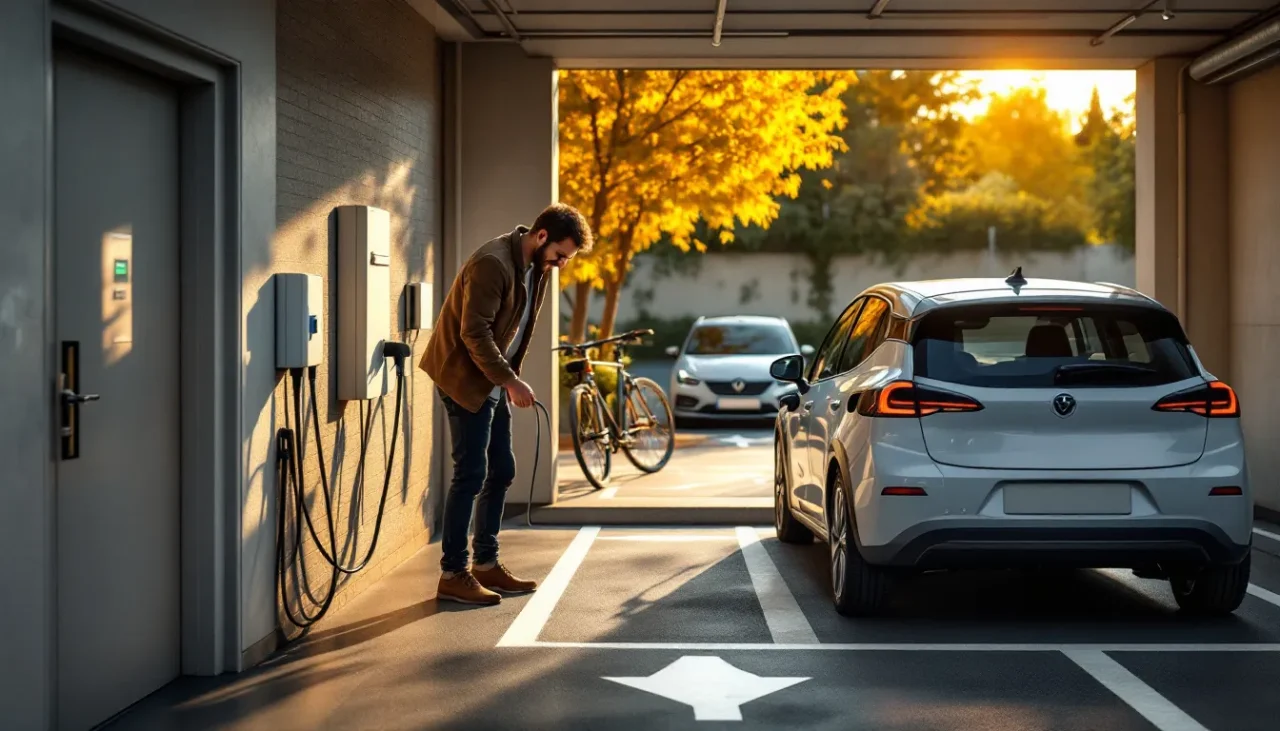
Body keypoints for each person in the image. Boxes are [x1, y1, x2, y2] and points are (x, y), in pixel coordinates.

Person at [420, 202, 593, 605]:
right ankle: (453, 573)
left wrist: (507, 379)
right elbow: (474, 333)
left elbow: (518, 325)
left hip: (493, 380)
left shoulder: (538, 266)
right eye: (561, 255)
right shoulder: (493, 264)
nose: (563, 264)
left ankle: (485, 563)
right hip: (463, 379)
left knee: (503, 469)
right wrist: (511, 380)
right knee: (472, 473)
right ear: (542, 236)